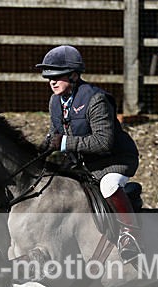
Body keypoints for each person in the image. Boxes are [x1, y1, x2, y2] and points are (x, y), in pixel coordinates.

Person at [35, 45, 142, 263]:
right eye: (49, 78)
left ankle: (130, 235)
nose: (52, 82)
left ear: (74, 76)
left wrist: (64, 142)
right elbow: (54, 134)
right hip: (86, 164)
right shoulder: (55, 101)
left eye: (58, 77)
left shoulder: (96, 100)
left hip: (115, 160)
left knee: (108, 186)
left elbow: (103, 143)